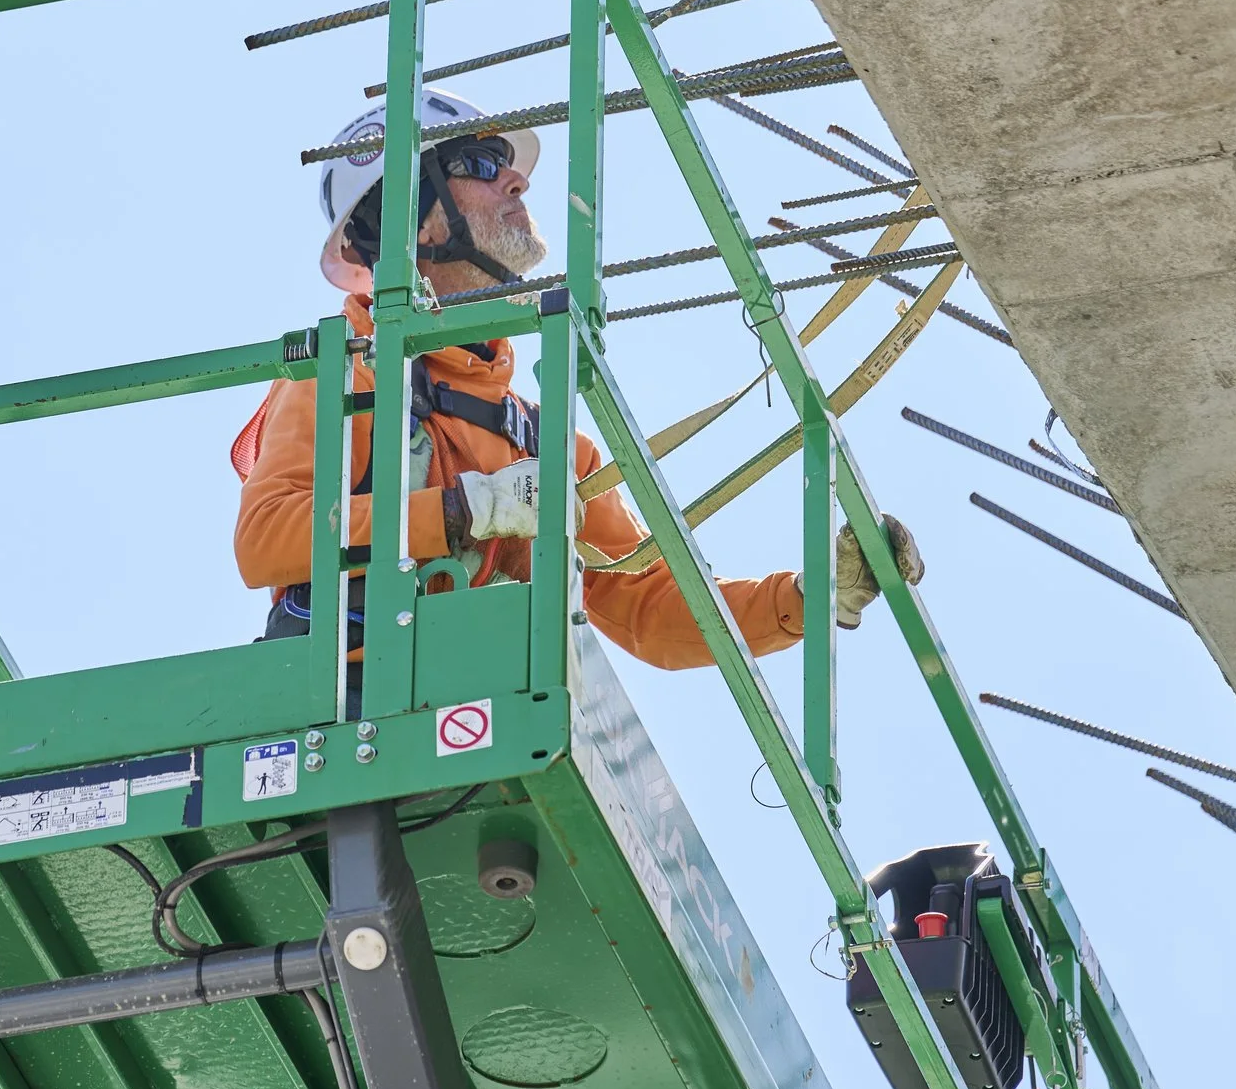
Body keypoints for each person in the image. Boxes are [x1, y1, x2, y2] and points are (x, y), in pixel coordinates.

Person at [232, 87, 922, 670]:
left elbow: (647, 607)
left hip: (475, 707)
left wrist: (810, 597)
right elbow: (267, 537)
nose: (518, 180)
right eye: (480, 163)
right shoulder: (347, 376)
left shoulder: (546, 441)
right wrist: (465, 510)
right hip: (349, 697)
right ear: (414, 219)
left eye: (509, 164)